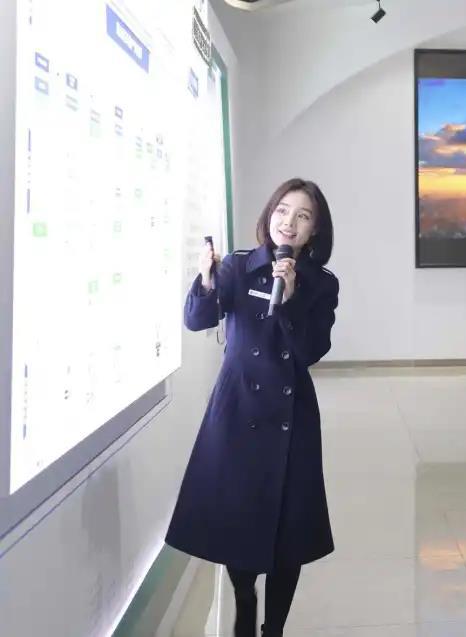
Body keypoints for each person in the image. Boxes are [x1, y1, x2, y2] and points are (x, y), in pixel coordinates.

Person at [165, 178, 339, 637]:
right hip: (237, 409)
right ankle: (244, 599)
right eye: (283, 210)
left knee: (290, 532)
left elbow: (311, 350)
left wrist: (293, 299)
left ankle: (273, 627)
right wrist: (206, 279)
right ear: (269, 215)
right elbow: (197, 319)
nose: (290, 222)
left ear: (315, 230)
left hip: (292, 416)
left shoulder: (322, 283)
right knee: (236, 517)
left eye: (303, 216)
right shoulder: (238, 267)